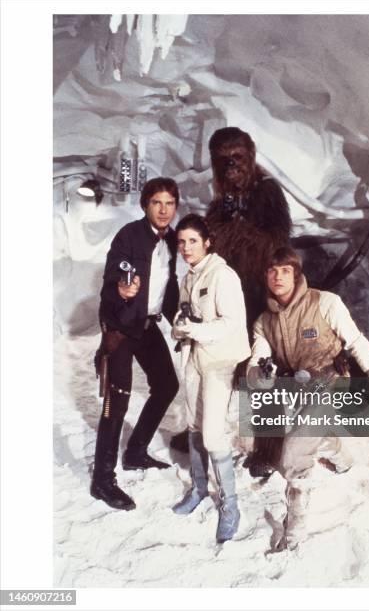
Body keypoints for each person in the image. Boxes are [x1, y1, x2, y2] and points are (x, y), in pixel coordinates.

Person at [247, 247, 369, 550]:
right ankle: (341, 458)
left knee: (294, 454)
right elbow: (256, 364)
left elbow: (356, 341)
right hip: (300, 388)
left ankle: (295, 529)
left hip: (332, 381)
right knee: (310, 433)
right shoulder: (263, 322)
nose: (278, 277)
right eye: (272, 271)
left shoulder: (325, 302)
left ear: (296, 274)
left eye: (285, 270)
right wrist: (262, 374)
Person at [171, 127, 292, 479]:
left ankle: (269, 449)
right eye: (223, 161)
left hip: (260, 297)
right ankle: (201, 428)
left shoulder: (268, 193)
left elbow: (278, 247)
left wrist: (236, 225)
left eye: (237, 158)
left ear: (250, 156)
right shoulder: (218, 205)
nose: (231, 167)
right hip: (227, 303)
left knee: (264, 371)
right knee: (211, 366)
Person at [90, 177, 180, 511]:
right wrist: (121, 290)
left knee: (167, 384)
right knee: (117, 401)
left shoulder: (171, 241)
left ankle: (135, 452)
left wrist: (180, 324)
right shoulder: (129, 235)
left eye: (169, 203)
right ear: (145, 205)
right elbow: (112, 278)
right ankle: (102, 481)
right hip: (122, 326)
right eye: (157, 202)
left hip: (147, 323)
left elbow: (167, 289)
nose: (163, 209)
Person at [170, 214, 250, 543]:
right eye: (181, 242)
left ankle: (230, 506)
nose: (186, 248)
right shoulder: (189, 277)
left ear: (207, 242)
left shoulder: (223, 275)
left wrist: (195, 329)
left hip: (220, 360)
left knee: (214, 434)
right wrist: (180, 325)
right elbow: (183, 314)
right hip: (195, 358)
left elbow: (232, 322)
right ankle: (200, 488)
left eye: (192, 241)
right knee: (194, 423)